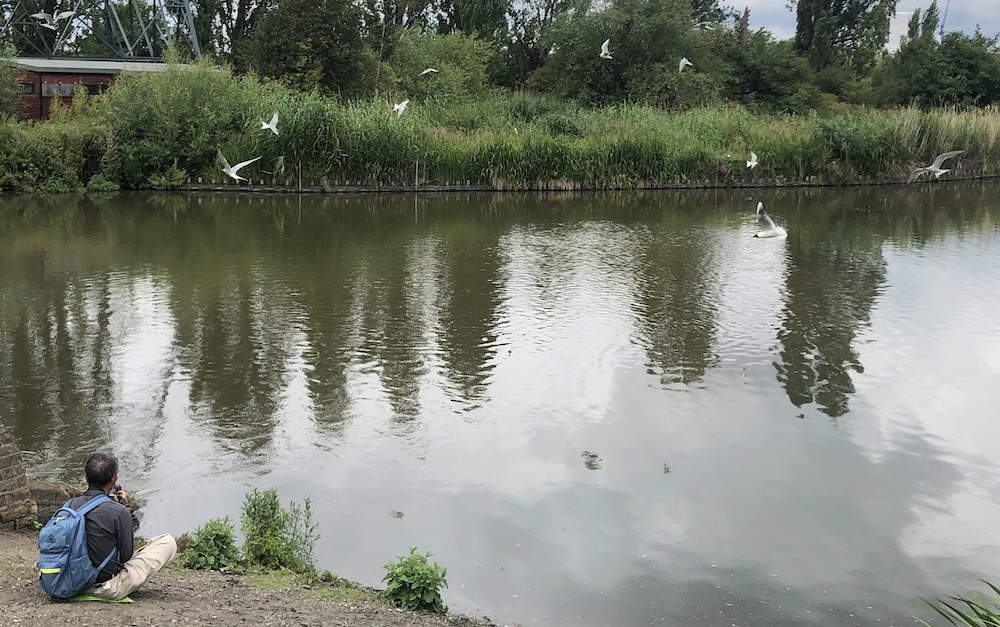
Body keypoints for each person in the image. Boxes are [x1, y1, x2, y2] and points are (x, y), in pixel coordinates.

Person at [69, 452, 177, 600]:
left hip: (70, 583)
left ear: (86, 477)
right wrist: (123, 508)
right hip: (106, 587)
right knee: (167, 541)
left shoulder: (70, 506)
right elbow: (126, 556)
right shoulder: (119, 511)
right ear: (114, 478)